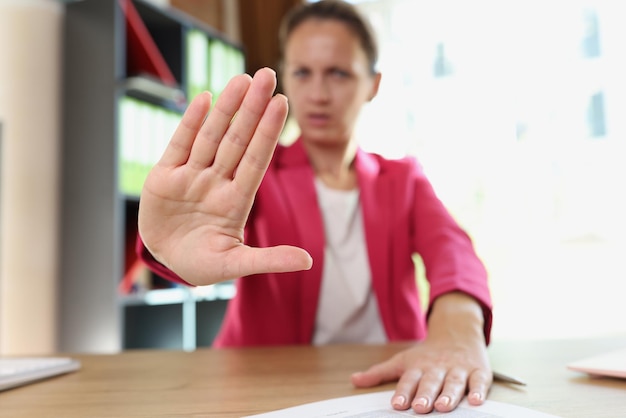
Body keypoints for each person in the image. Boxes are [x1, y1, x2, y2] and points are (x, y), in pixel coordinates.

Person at [137, 0, 493, 414]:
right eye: (303, 72)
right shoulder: (253, 179)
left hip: (389, 385)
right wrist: (170, 252)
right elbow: (200, 245)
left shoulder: (403, 179)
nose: (319, 94)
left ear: (373, 84)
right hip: (267, 389)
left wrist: (457, 334)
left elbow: (454, 254)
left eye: (338, 73)